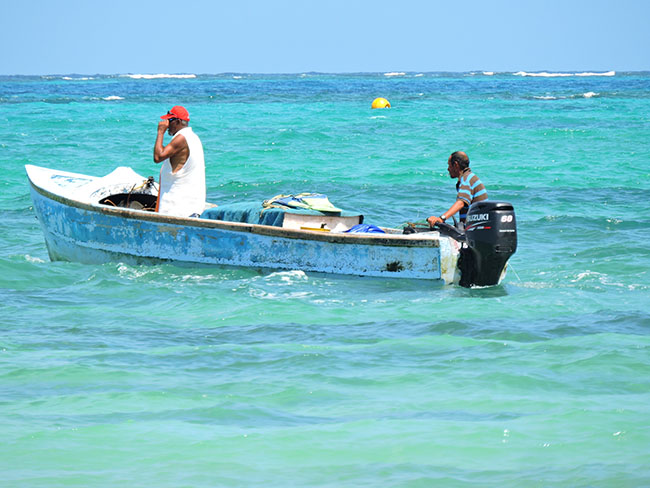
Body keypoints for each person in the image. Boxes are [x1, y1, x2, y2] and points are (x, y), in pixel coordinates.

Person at [153, 105, 206, 217]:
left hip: (176, 209)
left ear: (177, 121)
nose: (166, 125)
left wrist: (160, 133)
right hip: (191, 207)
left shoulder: (181, 138)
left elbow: (158, 157)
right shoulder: (193, 137)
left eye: (169, 121)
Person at [427, 151, 487, 228]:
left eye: (449, 165)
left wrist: (442, 218)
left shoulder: (466, 179)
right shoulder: (470, 177)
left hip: (475, 229)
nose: (448, 169)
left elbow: (461, 202)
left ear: (455, 165)